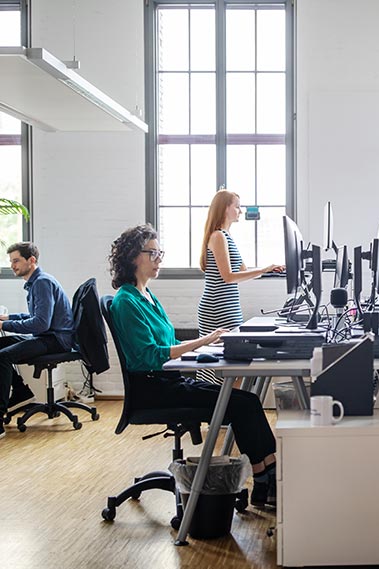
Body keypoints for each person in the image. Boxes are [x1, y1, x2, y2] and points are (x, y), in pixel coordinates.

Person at [109, 224, 277, 507]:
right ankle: (265, 481)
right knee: (243, 405)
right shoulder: (126, 301)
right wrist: (203, 342)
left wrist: (210, 345)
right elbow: (152, 355)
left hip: (169, 382)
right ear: (133, 257)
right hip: (154, 390)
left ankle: (269, 474)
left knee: (247, 399)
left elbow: (170, 341)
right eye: (153, 253)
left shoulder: (146, 296)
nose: (159, 258)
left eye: (159, 252)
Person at [198, 189, 283, 383]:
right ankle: (218, 409)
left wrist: (270, 270)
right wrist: (263, 269)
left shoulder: (227, 236)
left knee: (234, 363)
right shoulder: (218, 236)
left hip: (229, 306)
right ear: (224, 208)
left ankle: (229, 409)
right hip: (218, 307)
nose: (241, 211)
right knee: (224, 364)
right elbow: (228, 277)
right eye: (237, 206)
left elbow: (243, 271)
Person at [0, 242, 74, 439]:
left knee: (3, 357)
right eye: (11, 261)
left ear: (31, 260)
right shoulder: (36, 282)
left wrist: (3, 327)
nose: (12, 265)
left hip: (54, 339)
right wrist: (8, 318)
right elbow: (35, 316)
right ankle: (21, 393)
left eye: (16, 260)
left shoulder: (41, 282)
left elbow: (40, 324)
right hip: (47, 335)